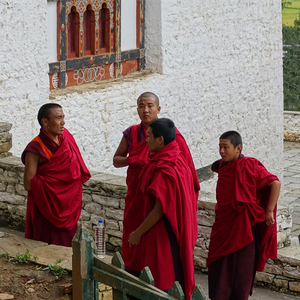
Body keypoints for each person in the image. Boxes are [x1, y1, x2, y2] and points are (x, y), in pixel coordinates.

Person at [113, 92, 200, 282]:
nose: (145, 110)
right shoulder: (132, 133)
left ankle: (155, 282)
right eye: (141, 106)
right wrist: (132, 159)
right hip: (138, 198)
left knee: (157, 249)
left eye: (150, 105)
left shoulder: (172, 137)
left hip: (159, 202)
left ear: (158, 109)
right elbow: (116, 160)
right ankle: (135, 277)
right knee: (137, 243)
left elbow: (185, 176)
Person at [128, 118, 198, 299]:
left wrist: (137, 233)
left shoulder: (166, 167)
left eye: (149, 136)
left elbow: (159, 210)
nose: (146, 140)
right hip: (171, 230)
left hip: (162, 233)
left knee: (161, 280)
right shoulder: (176, 159)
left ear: (160, 140)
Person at [207, 131, 281, 300]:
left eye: (226, 147)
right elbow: (214, 167)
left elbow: (275, 183)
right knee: (218, 263)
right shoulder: (221, 166)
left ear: (238, 148)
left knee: (241, 269)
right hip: (224, 224)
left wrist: (269, 211)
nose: (222, 151)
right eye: (220, 147)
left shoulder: (249, 165)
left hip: (244, 226)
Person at [22, 103, 91, 247]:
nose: (63, 122)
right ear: (45, 122)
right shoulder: (35, 148)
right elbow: (28, 184)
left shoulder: (66, 139)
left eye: (63, 117)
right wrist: (55, 184)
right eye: (58, 118)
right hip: (46, 208)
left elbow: (75, 170)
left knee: (70, 249)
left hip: (67, 206)